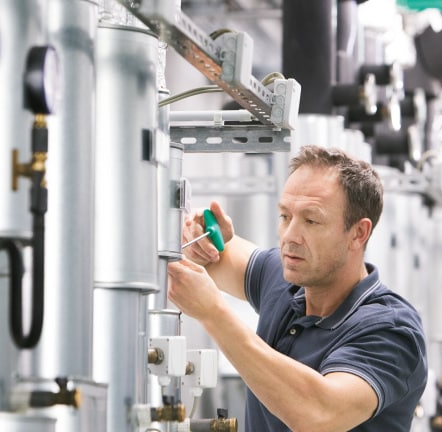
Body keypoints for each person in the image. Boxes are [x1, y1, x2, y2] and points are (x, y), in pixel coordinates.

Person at [167, 145, 427, 431]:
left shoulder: (391, 331)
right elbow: (216, 254)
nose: (290, 236)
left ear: (358, 233)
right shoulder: (284, 280)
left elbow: (318, 414)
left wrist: (214, 315)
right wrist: (200, 236)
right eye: (285, 216)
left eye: (311, 220)